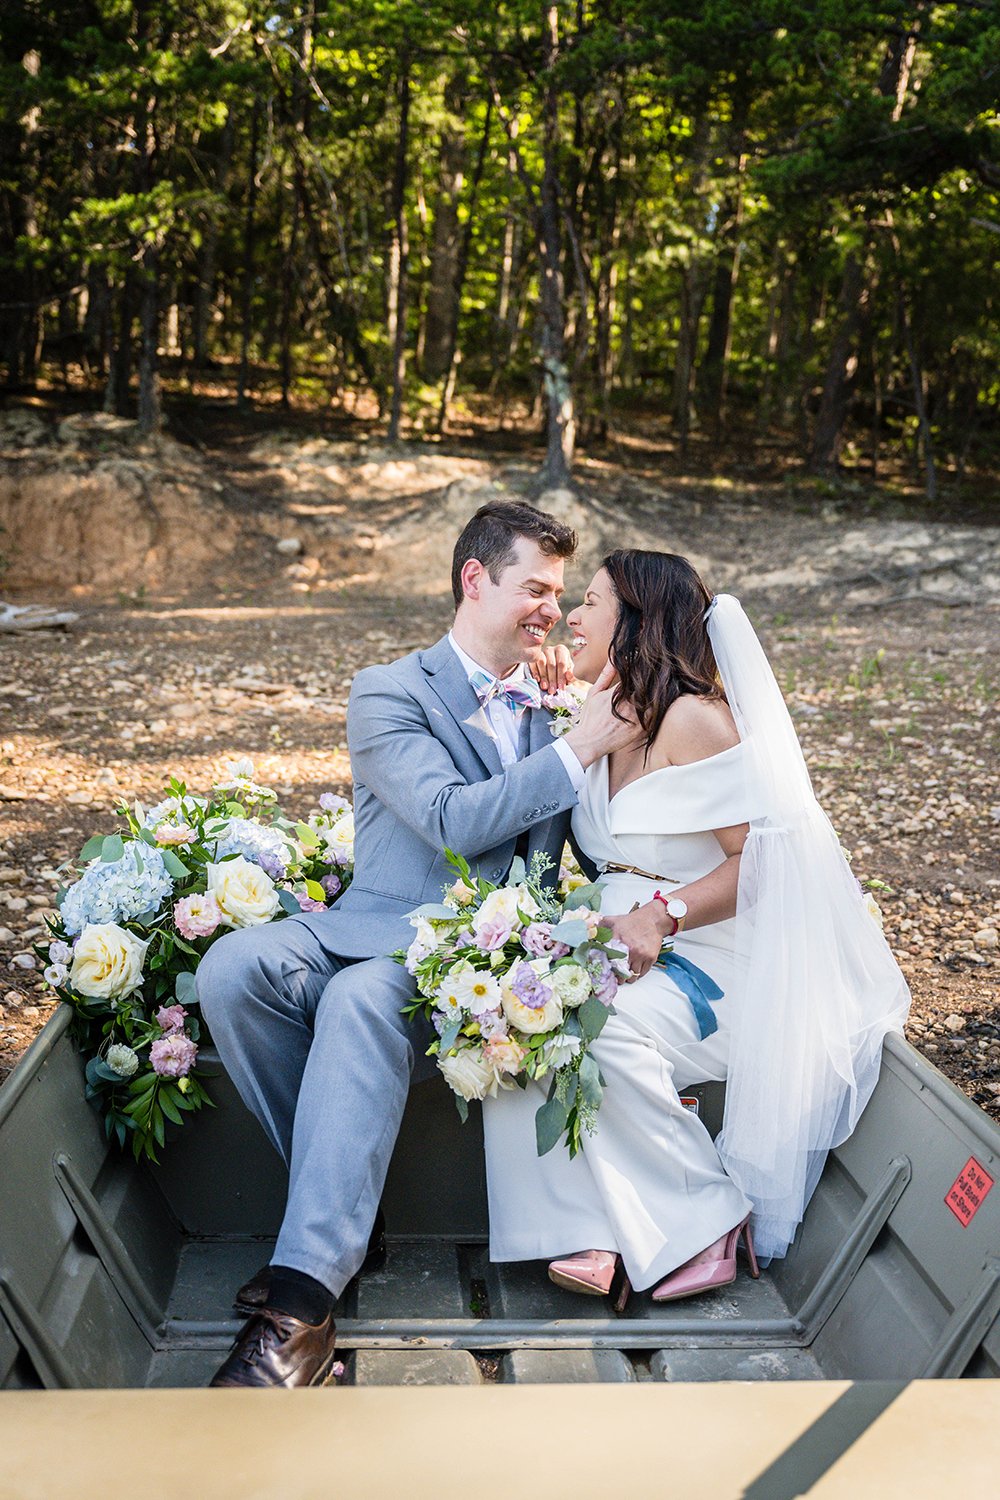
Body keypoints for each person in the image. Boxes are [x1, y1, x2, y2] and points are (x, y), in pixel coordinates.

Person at [198, 501, 635, 1387]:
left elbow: (599, 841)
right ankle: (342, 1213)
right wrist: (575, 748)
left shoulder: (561, 705)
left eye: (559, 593)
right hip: (370, 923)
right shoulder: (388, 689)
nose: (550, 610)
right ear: (475, 579)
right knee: (231, 967)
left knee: (362, 999)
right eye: (535, 589)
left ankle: (302, 1306)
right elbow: (447, 819)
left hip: (480, 959)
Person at [484, 550, 911, 1304]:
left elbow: (765, 864)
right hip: (625, 949)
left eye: (589, 603)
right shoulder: (609, 717)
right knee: (516, 1009)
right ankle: (592, 1227)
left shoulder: (694, 721)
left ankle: (712, 1218)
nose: (569, 619)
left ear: (637, 621)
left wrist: (665, 911)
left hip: (725, 963)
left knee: (598, 1024)